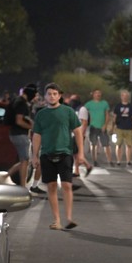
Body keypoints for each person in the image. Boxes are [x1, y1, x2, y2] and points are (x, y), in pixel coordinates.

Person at [30, 83, 88, 230]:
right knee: (51, 186)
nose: (52, 96)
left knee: (67, 185)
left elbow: (78, 132)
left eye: (55, 94)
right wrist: (34, 156)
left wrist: (81, 153)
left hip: (65, 153)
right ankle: (57, 220)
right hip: (47, 154)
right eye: (49, 94)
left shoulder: (68, 112)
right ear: (45, 96)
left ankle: (69, 218)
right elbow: (37, 136)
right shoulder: (41, 114)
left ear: (59, 96)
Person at [7, 83, 39, 189]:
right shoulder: (21, 103)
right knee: (25, 161)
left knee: (24, 160)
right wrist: (31, 127)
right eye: (34, 94)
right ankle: (23, 186)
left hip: (16, 133)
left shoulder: (17, 101)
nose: (35, 97)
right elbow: (19, 121)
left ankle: (6, 175)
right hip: (19, 134)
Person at [84, 89, 114, 166]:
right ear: (93, 94)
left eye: (99, 93)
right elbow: (84, 113)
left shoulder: (104, 103)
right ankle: (94, 160)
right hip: (93, 126)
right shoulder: (89, 104)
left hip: (102, 127)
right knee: (93, 144)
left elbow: (107, 115)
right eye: (96, 93)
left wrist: (105, 125)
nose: (98, 94)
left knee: (106, 144)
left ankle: (110, 161)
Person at [113, 90, 132, 166]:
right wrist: (113, 126)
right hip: (119, 127)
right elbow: (114, 117)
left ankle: (128, 160)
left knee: (129, 145)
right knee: (118, 144)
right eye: (123, 95)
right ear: (121, 97)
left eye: (126, 96)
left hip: (129, 128)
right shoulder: (118, 106)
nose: (125, 97)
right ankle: (118, 160)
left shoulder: (131, 107)